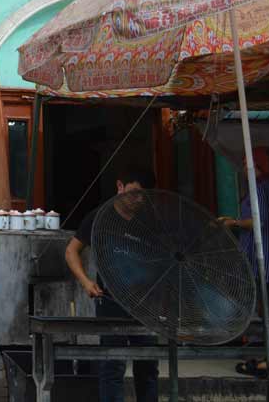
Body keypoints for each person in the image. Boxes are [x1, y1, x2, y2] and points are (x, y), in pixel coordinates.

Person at [64, 166, 159, 402]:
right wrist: (86, 282)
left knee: (147, 367)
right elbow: (71, 251)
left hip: (145, 303)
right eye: (133, 192)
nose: (137, 200)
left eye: (142, 196)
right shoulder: (99, 217)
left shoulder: (150, 219)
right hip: (109, 301)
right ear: (120, 187)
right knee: (112, 367)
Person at [220, 146, 269, 378]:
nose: (244, 168)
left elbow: (257, 222)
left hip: (264, 261)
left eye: (248, 163)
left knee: (268, 313)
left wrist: (233, 223)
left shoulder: (261, 189)